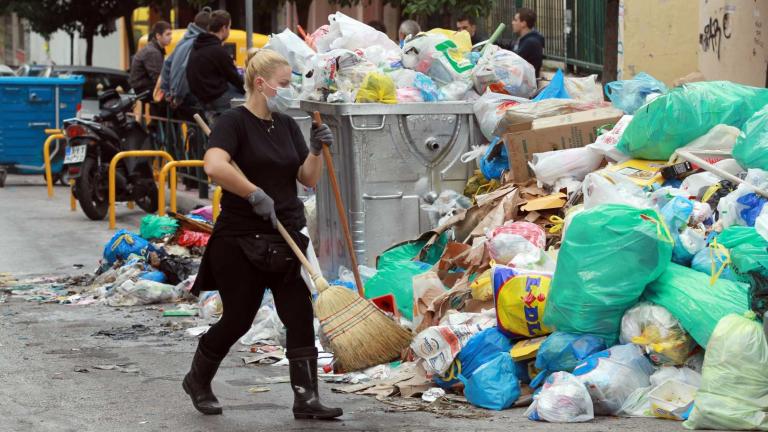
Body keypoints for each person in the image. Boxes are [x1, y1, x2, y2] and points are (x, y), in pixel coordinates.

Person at [183, 48, 343, 420]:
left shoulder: (286, 125)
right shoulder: (233, 122)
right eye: (284, 84)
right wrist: (252, 193)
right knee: (239, 318)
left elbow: (306, 178)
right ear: (261, 83)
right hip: (240, 238)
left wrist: (316, 150)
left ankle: (306, 399)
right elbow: (214, 165)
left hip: (285, 234)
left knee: (300, 315)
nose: (288, 91)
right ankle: (197, 379)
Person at [186, 10, 245, 122]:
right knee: (251, 103)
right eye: (229, 27)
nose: (229, 31)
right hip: (217, 98)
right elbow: (235, 79)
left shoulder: (197, 45)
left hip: (202, 99)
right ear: (224, 28)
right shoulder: (217, 50)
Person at [159, 8, 211, 117]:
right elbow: (184, 69)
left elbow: (167, 63)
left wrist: (167, 92)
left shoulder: (184, 40)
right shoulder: (197, 43)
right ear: (209, 27)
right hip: (188, 98)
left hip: (180, 97)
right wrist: (178, 96)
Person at [129, 21, 172, 97]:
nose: (170, 37)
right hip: (144, 89)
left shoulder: (154, 49)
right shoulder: (153, 52)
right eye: (167, 34)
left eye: (170, 34)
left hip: (143, 87)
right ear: (158, 36)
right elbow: (158, 77)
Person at [511, 7, 545, 77]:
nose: (512, 22)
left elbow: (515, 63)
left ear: (523, 23)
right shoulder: (525, 39)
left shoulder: (530, 43)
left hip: (526, 85)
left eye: (515, 20)